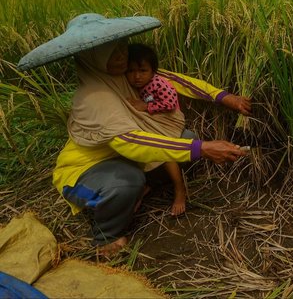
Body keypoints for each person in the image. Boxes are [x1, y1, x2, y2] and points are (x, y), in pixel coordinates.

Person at [51, 23, 252, 257]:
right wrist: (202, 149)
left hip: (127, 158)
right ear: (92, 57)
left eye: (121, 47)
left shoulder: (124, 74)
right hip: (84, 172)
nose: (121, 56)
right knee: (127, 182)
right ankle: (106, 236)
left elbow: (179, 81)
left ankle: (139, 190)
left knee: (187, 138)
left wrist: (225, 97)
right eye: (110, 52)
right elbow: (131, 142)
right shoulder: (95, 97)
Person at [125, 43, 214, 216]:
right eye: (131, 71)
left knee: (165, 149)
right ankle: (150, 183)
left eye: (142, 71)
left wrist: (146, 107)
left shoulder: (159, 84)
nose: (136, 76)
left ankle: (179, 189)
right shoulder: (129, 85)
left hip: (166, 123)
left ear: (153, 71)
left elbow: (169, 104)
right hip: (150, 125)